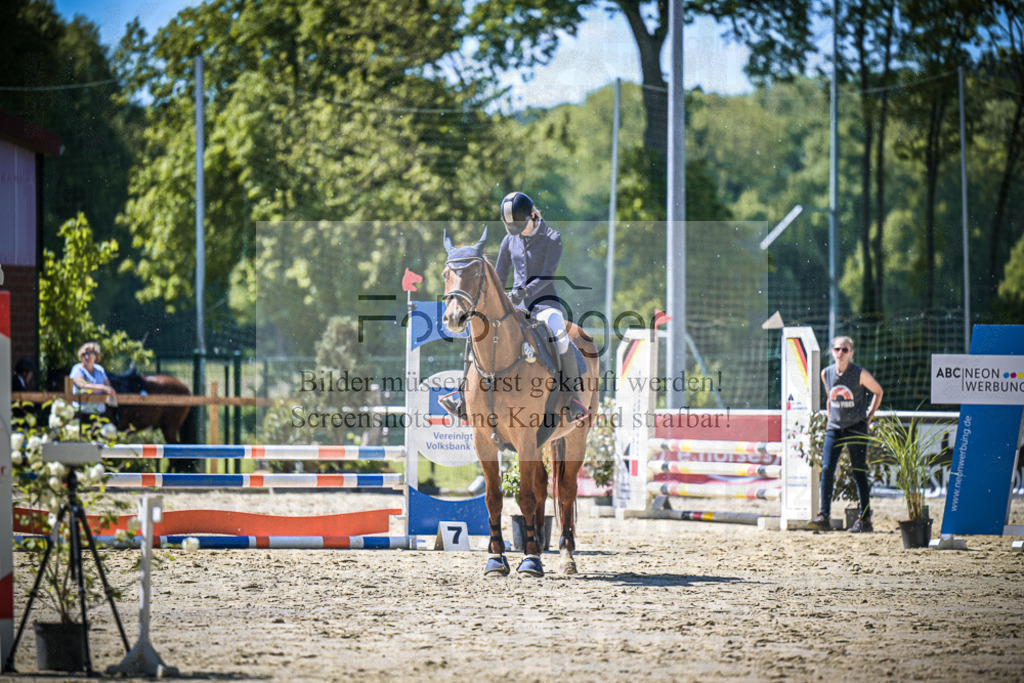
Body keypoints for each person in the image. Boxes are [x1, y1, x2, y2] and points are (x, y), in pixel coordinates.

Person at [439, 191, 588, 424]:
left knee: (559, 334)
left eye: (521, 227)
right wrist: (497, 299)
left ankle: (572, 398)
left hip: (544, 303)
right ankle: (463, 398)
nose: (518, 233)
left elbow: (547, 275)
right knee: (475, 334)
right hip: (513, 303)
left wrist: (524, 292)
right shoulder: (510, 240)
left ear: (533, 216)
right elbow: (499, 275)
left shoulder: (552, 238)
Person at [809, 335, 884, 533]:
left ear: (851, 353)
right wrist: (830, 418)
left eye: (844, 350)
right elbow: (830, 398)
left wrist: (869, 417)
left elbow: (878, 391)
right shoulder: (826, 373)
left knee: (858, 471)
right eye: (837, 349)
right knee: (827, 469)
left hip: (856, 427)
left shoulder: (859, 373)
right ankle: (824, 515)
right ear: (832, 352)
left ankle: (865, 519)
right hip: (834, 427)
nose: (840, 353)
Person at [69, 341, 117, 421]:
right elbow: (82, 386)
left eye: (90, 353)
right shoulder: (77, 369)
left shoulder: (100, 369)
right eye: (84, 354)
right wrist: (102, 388)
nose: (87, 357)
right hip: (82, 414)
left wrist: (106, 390)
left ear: (96, 356)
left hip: (99, 414)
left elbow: (108, 388)